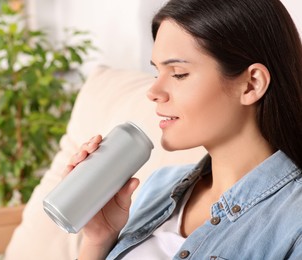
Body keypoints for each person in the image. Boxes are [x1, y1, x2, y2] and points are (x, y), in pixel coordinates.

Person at [63, 0, 302, 259]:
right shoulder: (159, 185)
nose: (153, 92)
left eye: (178, 73)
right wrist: (99, 239)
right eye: (157, 73)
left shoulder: (293, 221)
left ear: (251, 85)